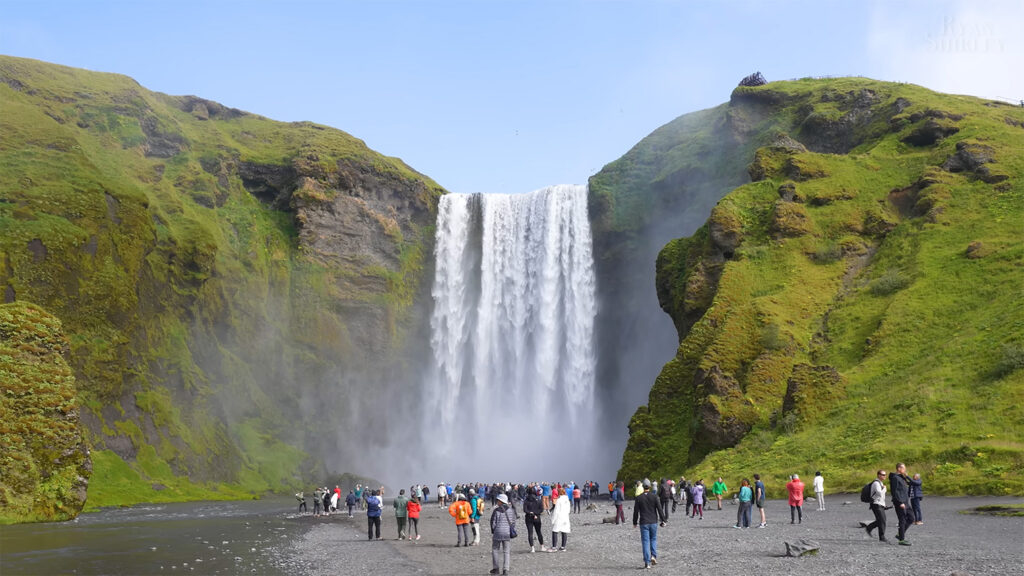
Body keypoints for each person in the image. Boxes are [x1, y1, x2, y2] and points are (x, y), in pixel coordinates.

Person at [633, 479, 666, 569]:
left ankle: (647, 563)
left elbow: (636, 511)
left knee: (645, 541)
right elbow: (659, 509)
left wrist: (634, 522)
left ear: (643, 487)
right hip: (653, 521)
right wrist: (663, 520)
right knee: (653, 539)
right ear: (650, 487)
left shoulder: (639, 498)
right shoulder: (654, 497)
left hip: (644, 522)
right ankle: (653, 556)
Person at [489, 493, 516, 575]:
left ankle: (496, 569)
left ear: (501, 501)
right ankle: (505, 570)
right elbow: (513, 522)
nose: (497, 501)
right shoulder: (511, 510)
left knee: (495, 550)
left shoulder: (496, 511)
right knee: (506, 551)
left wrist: (493, 531)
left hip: (498, 533)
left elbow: (493, 523)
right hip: (507, 533)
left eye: (498, 500)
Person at [890, 463, 913, 546]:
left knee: (911, 518)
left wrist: (906, 476)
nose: (905, 470)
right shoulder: (895, 478)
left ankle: (900, 534)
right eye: (904, 468)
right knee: (902, 520)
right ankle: (901, 540)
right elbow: (894, 491)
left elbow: (912, 483)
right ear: (899, 468)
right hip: (900, 502)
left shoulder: (901, 477)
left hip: (906, 502)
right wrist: (900, 502)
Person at [865, 470, 889, 543]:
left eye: (885, 474)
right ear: (878, 475)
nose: (884, 476)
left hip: (879, 504)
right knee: (882, 520)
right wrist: (885, 489)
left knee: (881, 520)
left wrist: (884, 505)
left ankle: (869, 527)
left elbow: (881, 497)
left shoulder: (880, 483)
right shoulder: (876, 483)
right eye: (882, 474)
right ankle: (882, 537)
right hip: (876, 504)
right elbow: (879, 494)